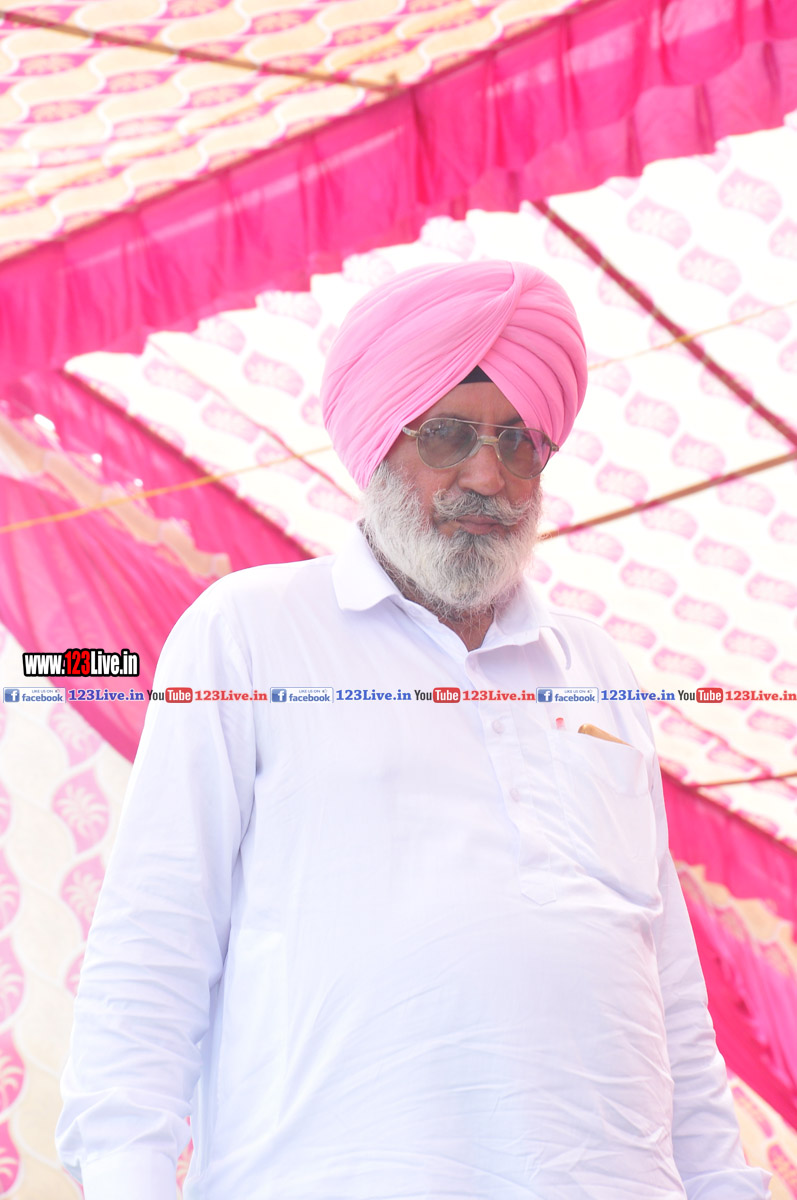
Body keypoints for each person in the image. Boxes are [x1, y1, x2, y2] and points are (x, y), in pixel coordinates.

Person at [56, 260, 772, 1200]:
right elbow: (155, 944)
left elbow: (670, 992)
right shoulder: (252, 631)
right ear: (379, 444)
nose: (488, 474)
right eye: (448, 435)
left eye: (520, 442)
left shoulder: (595, 671)